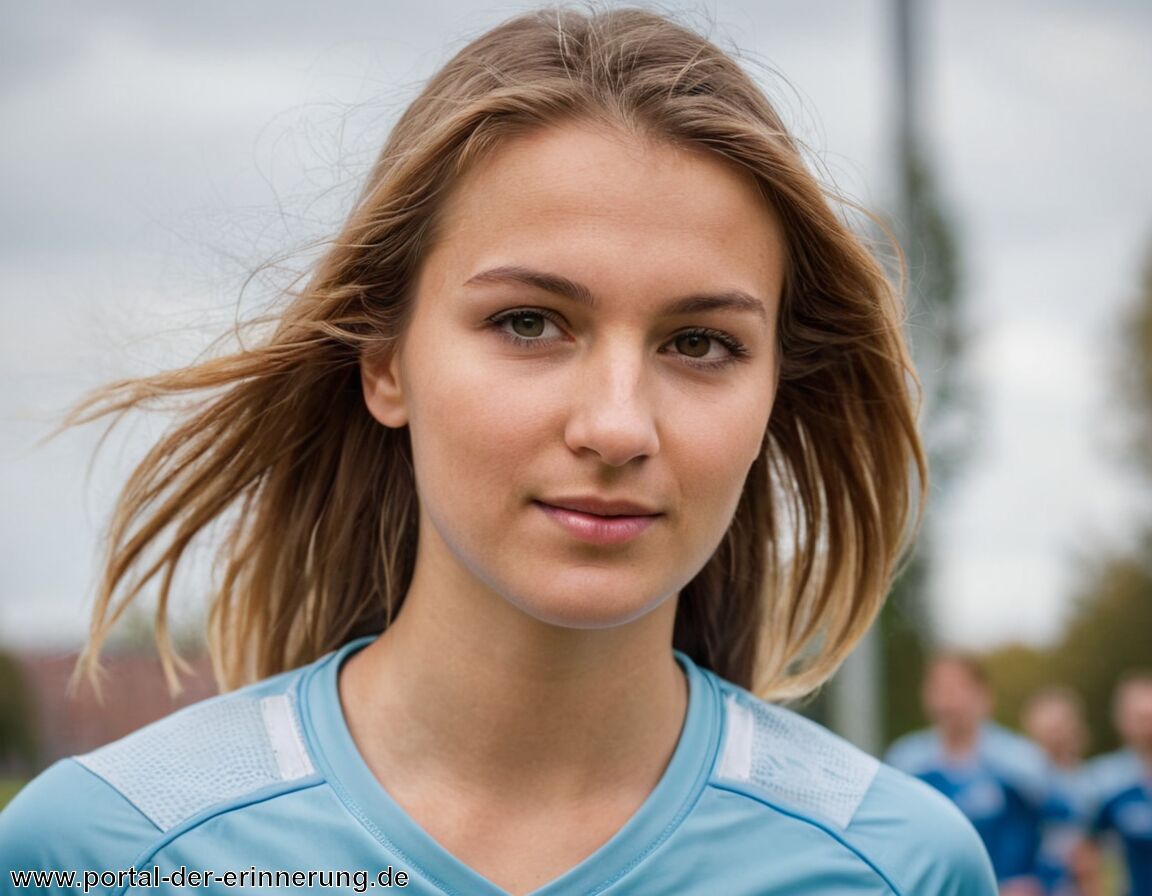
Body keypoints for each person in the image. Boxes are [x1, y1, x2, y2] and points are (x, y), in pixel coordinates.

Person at [0, 8, 995, 894]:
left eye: (701, 342)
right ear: (385, 363)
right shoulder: (107, 854)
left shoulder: (897, 865)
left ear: (777, 388)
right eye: (529, 321)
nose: (615, 424)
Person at [887, 653, 1051, 895]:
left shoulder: (1023, 762)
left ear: (983, 695)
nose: (948, 699)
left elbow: (1061, 834)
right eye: (939, 687)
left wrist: (1037, 879)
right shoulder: (905, 762)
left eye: (957, 687)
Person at [1021, 687, 1102, 896]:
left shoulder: (1090, 783)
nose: (1054, 733)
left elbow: (1092, 854)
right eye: (1048, 725)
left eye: (1060, 724)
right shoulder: (1019, 782)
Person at [1085, 671, 1152, 895]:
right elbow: (1087, 855)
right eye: (1140, 716)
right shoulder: (1104, 782)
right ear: (1122, 720)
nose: (1147, 723)